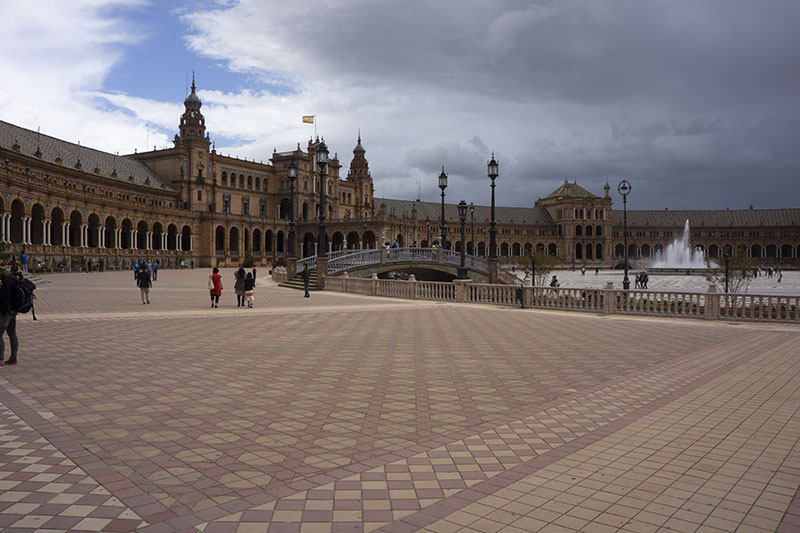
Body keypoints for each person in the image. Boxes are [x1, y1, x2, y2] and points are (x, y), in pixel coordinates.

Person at [0, 271, 19, 367]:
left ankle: (0, 360)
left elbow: (4, 297)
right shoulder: (13, 279)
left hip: (5, 312)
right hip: (13, 311)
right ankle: (13, 357)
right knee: (12, 334)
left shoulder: (6, 282)